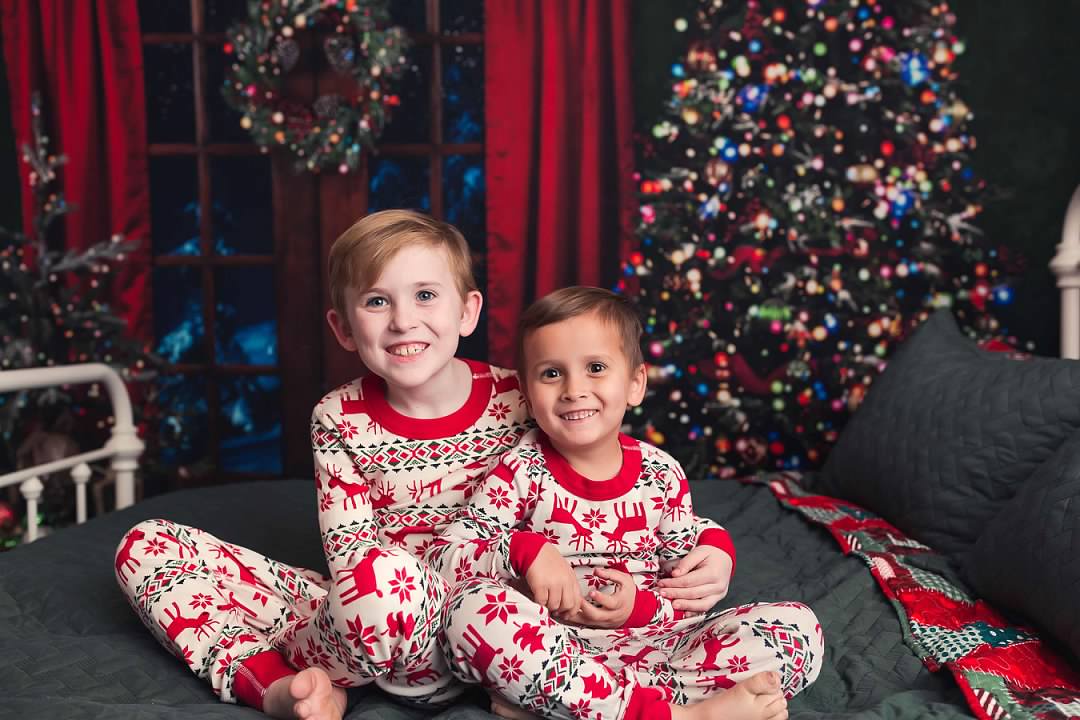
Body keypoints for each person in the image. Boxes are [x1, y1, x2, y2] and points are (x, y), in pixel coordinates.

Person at [113, 212, 742, 720]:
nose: (403, 320)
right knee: (146, 545)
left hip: (499, 626)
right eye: (376, 301)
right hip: (382, 618)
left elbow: (612, 482)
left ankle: (331, 677)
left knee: (396, 589)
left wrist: (712, 545)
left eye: (424, 295)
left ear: (466, 311)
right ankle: (281, 685)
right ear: (343, 327)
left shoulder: (523, 393)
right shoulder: (339, 417)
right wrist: (368, 605)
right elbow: (353, 560)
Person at [426, 286, 824, 720]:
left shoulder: (661, 473)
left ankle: (577, 708)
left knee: (798, 629)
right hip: (558, 653)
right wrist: (523, 551)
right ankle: (679, 715)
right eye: (552, 373)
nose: (574, 389)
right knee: (469, 611)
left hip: (661, 651)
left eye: (596, 368)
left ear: (635, 384)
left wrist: (645, 605)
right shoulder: (519, 471)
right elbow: (444, 560)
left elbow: (690, 588)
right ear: (526, 393)